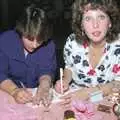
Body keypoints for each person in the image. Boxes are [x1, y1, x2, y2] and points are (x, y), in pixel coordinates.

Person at [55, 0, 120, 101]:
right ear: (81, 25)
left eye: (101, 17)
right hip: (76, 94)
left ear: (110, 22)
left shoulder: (118, 45)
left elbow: (118, 83)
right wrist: (65, 80)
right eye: (88, 18)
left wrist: (89, 93)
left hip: (107, 98)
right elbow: (69, 67)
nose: (95, 25)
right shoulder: (72, 42)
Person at [0, 4, 57, 104]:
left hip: (35, 91)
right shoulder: (5, 40)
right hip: (8, 89)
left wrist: (44, 86)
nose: (35, 45)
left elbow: (46, 70)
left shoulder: (48, 45)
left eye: (40, 40)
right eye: (30, 39)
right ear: (21, 31)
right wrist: (14, 91)